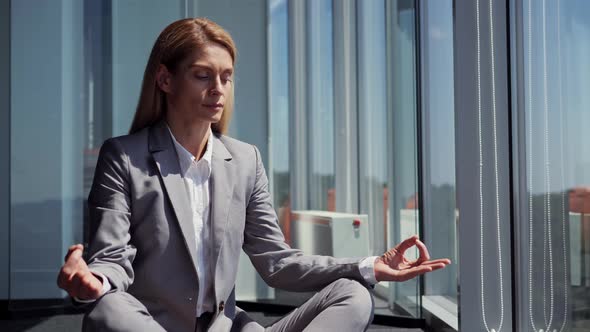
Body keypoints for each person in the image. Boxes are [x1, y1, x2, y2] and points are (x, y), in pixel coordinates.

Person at [56, 18, 450, 332]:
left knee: (353, 294)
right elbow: (112, 259)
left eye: (226, 76)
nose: (218, 88)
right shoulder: (124, 156)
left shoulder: (245, 160)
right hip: (148, 325)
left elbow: (276, 263)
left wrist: (369, 266)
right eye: (202, 75)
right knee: (108, 310)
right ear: (165, 80)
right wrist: (94, 283)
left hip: (227, 327)